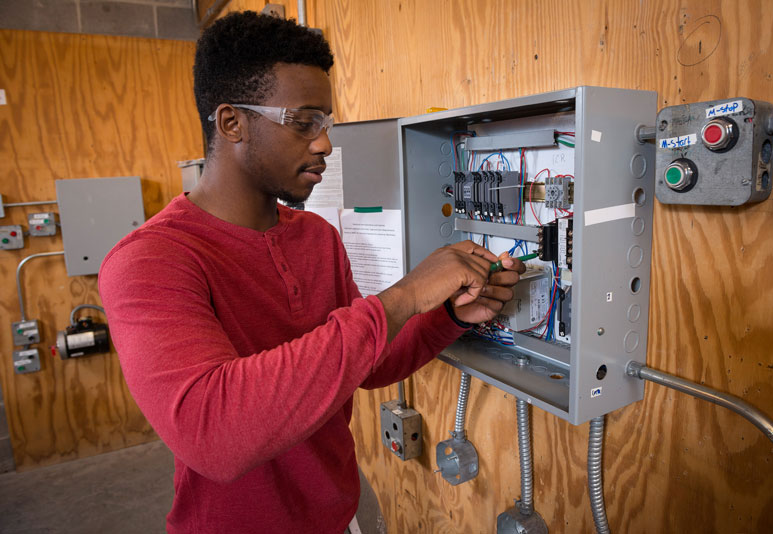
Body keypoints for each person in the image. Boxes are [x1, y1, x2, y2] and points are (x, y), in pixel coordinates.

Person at [98, 10, 524, 534]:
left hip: (338, 516)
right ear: (231, 122)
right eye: (303, 123)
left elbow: (367, 365)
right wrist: (408, 294)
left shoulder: (315, 236)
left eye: (325, 124)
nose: (324, 144)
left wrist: (450, 319)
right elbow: (213, 433)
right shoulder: (151, 260)